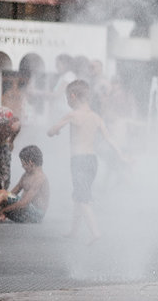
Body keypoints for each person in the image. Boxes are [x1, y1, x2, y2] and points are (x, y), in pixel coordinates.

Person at [47, 79, 125, 243]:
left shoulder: (73, 115)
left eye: (67, 98)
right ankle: (74, 230)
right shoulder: (96, 117)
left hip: (79, 160)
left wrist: (53, 132)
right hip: (92, 161)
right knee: (78, 195)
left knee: (82, 198)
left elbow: (52, 129)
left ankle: (95, 232)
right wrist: (122, 157)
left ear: (73, 96)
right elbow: (109, 139)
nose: (67, 102)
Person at [0, 145, 48, 224]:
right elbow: (12, 193)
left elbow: (24, 203)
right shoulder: (27, 174)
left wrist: (3, 210)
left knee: (3, 194)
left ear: (30, 162)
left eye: (23, 163)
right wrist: (0, 205)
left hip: (35, 216)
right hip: (25, 210)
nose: (22, 166)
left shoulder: (40, 178)